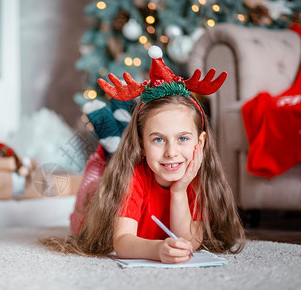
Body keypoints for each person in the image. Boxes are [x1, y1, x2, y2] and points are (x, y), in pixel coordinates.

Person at [41, 46, 245, 263]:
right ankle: (112, 139)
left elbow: (189, 243)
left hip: (149, 167)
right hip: (95, 204)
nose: (171, 152)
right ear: (142, 143)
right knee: (96, 190)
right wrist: (158, 249)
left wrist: (179, 190)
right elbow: (122, 241)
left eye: (183, 138)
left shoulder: (196, 178)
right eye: (158, 139)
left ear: (200, 142)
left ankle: (117, 133)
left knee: (116, 160)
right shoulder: (134, 176)